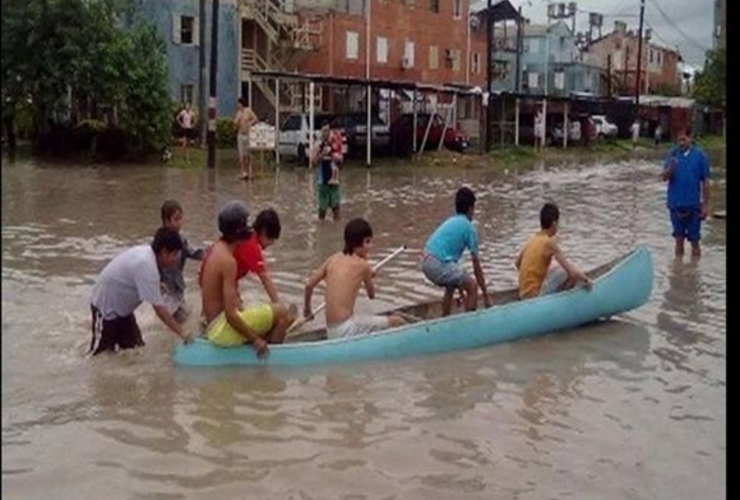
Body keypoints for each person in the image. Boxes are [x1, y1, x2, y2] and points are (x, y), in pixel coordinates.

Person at [199, 200, 296, 359]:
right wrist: (255, 339)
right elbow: (231, 316)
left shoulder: (217, 248)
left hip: (213, 325)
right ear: (238, 232)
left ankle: (264, 339)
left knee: (255, 312)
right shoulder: (228, 261)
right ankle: (271, 357)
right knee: (284, 313)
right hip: (221, 330)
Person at [89, 227, 191, 355]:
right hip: (106, 308)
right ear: (164, 251)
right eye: (174, 254)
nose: (175, 259)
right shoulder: (147, 266)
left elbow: (133, 275)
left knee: (135, 350)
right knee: (99, 356)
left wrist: (155, 285)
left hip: (123, 311)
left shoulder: (148, 255)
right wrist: (181, 332)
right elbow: (160, 310)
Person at [303, 218, 405, 339]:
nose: (370, 246)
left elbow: (309, 286)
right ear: (358, 243)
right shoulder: (364, 265)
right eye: (367, 242)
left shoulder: (333, 259)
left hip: (330, 331)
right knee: (397, 321)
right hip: (345, 329)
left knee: (362, 318)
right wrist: (369, 276)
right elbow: (371, 295)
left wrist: (307, 310)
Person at [421, 186, 492, 317]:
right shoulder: (469, 228)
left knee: (451, 285)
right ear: (471, 209)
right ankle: (469, 325)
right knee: (472, 287)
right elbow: (477, 268)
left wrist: (462, 294)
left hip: (426, 261)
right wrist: (486, 297)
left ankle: (445, 318)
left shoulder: (451, 221)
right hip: (437, 263)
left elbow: (454, 270)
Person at [198, 208, 284, 305]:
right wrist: (278, 303)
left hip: (209, 273)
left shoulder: (247, 237)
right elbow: (265, 278)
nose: (271, 243)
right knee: (228, 312)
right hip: (214, 279)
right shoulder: (251, 244)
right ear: (264, 232)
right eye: (271, 238)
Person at [515, 202, 592, 300]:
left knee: (554, 267)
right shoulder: (549, 242)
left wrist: (536, 273)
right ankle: (565, 299)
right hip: (534, 296)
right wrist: (586, 280)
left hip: (523, 293)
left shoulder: (532, 239)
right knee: (566, 271)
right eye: (558, 223)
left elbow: (517, 263)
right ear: (554, 223)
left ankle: (559, 296)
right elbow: (571, 271)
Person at [660, 128, 711, 257]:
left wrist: (705, 206)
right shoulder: (672, 154)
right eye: (679, 140)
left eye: (683, 140)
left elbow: (705, 182)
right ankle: (678, 272)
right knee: (678, 241)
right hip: (675, 204)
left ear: (690, 138)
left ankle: (694, 273)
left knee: (695, 242)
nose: (681, 143)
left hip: (693, 206)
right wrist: (671, 167)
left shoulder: (700, 156)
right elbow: (664, 177)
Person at [159, 200, 204, 323]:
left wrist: (211, 255)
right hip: (165, 292)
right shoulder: (159, 243)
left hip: (178, 288)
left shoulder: (181, 240)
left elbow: (193, 253)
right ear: (166, 221)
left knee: (185, 318)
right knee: (183, 320)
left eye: (180, 219)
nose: (179, 223)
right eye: (176, 219)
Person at [312, 121, 343, 221]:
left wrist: (335, 157)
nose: (326, 133)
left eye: (328, 130)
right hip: (323, 181)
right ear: (321, 131)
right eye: (324, 130)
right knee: (322, 211)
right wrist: (322, 154)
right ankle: (321, 229)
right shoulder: (318, 144)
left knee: (336, 209)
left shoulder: (335, 143)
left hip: (334, 180)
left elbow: (341, 162)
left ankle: (336, 230)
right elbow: (314, 162)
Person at [234, 97, 258, 180]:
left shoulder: (248, 111)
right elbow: (235, 123)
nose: (237, 105)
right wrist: (238, 120)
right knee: (241, 154)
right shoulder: (238, 113)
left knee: (248, 154)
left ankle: (250, 171)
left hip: (248, 134)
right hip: (241, 134)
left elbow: (255, 119)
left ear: (241, 103)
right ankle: (243, 172)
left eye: (238, 103)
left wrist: (250, 123)